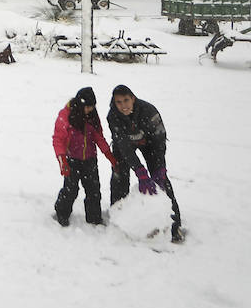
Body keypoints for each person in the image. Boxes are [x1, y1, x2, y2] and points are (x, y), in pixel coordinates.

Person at [108, 84, 184, 242]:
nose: (123, 106)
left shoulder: (149, 111)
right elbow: (123, 147)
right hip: (125, 146)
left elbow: (160, 140)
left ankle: (174, 225)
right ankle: (118, 216)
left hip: (150, 144)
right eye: (119, 102)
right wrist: (140, 172)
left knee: (162, 181)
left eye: (126, 100)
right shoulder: (113, 116)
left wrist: (160, 168)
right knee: (119, 175)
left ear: (133, 99)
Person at [52, 87, 116, 227]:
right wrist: (63, 161)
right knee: (71, 190)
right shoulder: (66, 115)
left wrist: (108, 154)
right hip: (71, 159)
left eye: (92, 107)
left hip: (90, 159)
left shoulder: (92, 117)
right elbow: (58, 139)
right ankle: (62, 213)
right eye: (87, 107)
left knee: (93, 190)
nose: (89, 110)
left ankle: (94, 217)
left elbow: (98, 137)